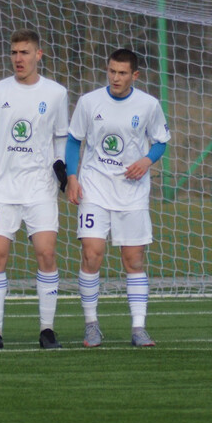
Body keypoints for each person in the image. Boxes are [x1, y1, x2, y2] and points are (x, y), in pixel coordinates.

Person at [0, 29, 69, 350]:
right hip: (3, 190)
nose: (18, 59)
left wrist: (62, 167)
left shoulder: (57, 93)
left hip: (40, 189)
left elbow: (62, 138)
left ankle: (47, 330)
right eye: (14, 53)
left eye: (24, 52)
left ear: (38, 54)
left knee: (46, 254)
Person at [65, 48, 171, 348]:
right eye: (111, 71)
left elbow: (161, 141)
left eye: (122, 73)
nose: (115, 77)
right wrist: (72, 178)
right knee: (92, 253)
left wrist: (147, 160)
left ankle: (138, 328)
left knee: (133, 259)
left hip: (132, 192)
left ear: (134, 75)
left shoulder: (148, 105)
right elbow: (74, 140)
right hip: (94, 187)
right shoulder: (89, 102)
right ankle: (91, 324)